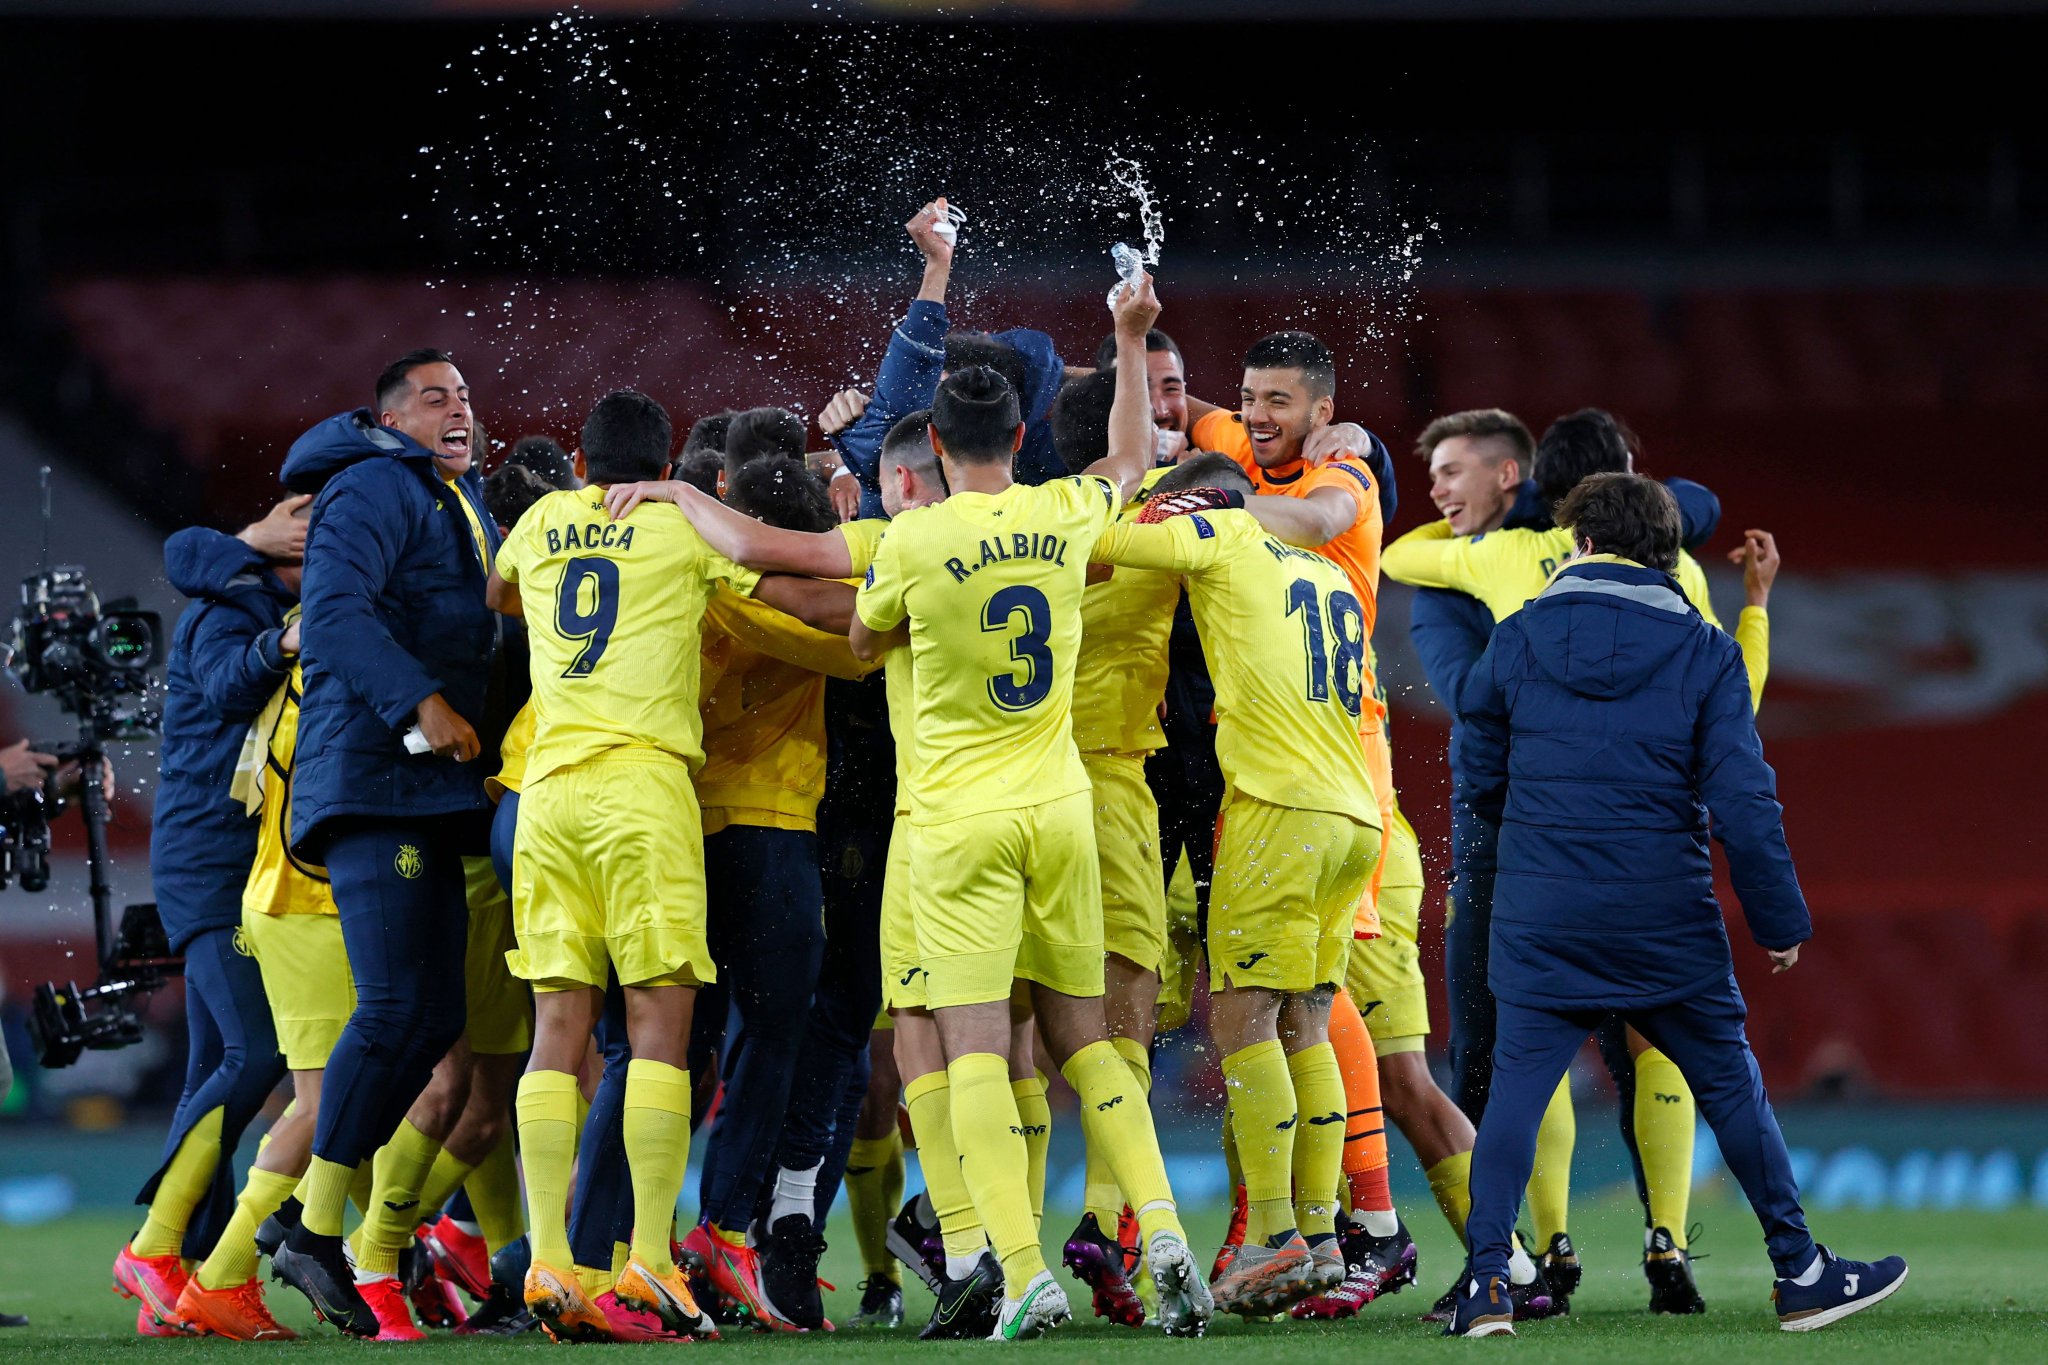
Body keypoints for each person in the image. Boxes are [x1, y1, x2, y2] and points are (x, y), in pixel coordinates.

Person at [1447, 472, 1906, 1337]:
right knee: (1728, 1083)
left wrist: (1531, 835)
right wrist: (1779, 920)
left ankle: (1486, 1287)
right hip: (1663, 914)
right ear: (1669, 555)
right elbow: (1745, 800)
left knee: (1516, 1089)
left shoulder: (1515, 639)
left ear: (1581, 544)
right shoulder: (1704, 650)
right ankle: (1800, 1269)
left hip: (1542, 911)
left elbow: (1478, 766)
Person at [846, 276, 1210, 1342]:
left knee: (969, 1055)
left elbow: (867, 642)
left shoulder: (910, 540)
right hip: (1061, 812)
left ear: (931, 457)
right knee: (1084, 1044)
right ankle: (1162, 1232)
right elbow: (1132, 462)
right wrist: (1130, 339)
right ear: (1016, 431)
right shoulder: (1061, 513)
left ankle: (1017, 1268)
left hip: (957, 824)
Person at [1386, 408, 1769, 1313]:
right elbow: (1738, 698)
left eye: (1451, 473)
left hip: (1531, 829)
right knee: (1672, 1041)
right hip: (1653, 823)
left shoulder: (1492, 564)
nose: (1440, 492)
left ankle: (1540, 1251)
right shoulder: (1677, 576)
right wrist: (1754, 609)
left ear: (1524, 481)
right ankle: (1685, 1240)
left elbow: (1411, 578)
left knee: (1525, 1044)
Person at [1087, 450, 1389, 1319]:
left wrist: (1145, 509)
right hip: (1351, 815)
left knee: (1242, 1012)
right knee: (1306, 1012)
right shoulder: (1321, 570)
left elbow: (1090, 545)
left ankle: (1272, 1235)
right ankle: (1323, 1233)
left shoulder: (1218, 531)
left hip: (1276, 808)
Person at [1179, 333, 1423, 1305]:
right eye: (1249, 401)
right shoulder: (1236, 444)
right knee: (1307, 1014)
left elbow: (1319, 508)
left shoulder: (1337, 483)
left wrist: (1208, 507)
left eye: (1278, 401)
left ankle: (1342, 1226)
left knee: (1291, 1013)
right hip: (1320, 783)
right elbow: (1175, 403)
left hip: (1326, 772)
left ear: (1322, 412)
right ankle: (1326, 1231)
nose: (1258, 415)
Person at [270, 349, 501, 1337]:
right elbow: (330, 616)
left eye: (466, 396)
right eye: (436, 398)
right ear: (391, 419)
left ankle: (317, 1230)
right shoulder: (370, 483)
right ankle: (313, 1231)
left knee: (430, 1011)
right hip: (373, 780)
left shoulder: (450, 496)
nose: (460, 410)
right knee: (400, 1005)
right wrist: (421, 701)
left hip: (420, 791)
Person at [113, 495, 303, 1337]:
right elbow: (230, 684)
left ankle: (180, 1276)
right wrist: (252, 559)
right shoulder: (233, 607)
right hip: (210, 865)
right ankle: (151, 1249)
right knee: (258, 1051)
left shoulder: (261, 602)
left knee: (213, 1067)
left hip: (233, 861)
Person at [826, 198, 1070, 521]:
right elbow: (918, 361)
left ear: (1017, 434)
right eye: (937, 395)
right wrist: (840, 467)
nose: (944, 411)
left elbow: (754, 548)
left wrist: (938, 264)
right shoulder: (1060, 507)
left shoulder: (1052, 458)